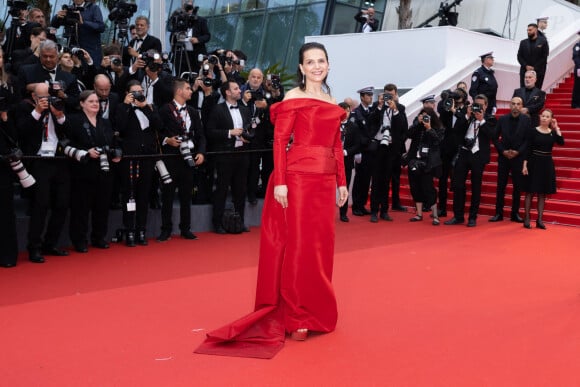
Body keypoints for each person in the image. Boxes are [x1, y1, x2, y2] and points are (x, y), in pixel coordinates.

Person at [196, 42, 348, 358]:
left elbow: (335, 145)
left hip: (323, 183)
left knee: (320, 248)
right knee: (298, 247)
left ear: (328, 65)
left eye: (322, 61)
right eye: (311, 62)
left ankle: (315, 309)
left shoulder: (332, 101)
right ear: (302, 68)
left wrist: (341, 183)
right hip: (298, 179)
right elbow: (280, 141)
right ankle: (296, 316)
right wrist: (280, 181)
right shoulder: (293, 99)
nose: (317, 66)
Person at [16, 82, 70, 262]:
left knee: (62, 204)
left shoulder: (58, 105)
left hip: (59, 159)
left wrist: (60, 114)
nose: (47, 101)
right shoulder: (24, 108)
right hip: (39, 162)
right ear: (34, 97)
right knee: (41, 205)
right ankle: (34, 247)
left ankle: (51, 243)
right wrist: (38, 111)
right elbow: (21, 132)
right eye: (43, 98)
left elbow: (68, 131)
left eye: (49, 97)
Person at [63, 90, 119, 252]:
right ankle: (79, 240)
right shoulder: (74, 121)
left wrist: (115, 153)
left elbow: (113, 142)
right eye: (91, 101)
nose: (95, 104)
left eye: (97, 102)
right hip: (83, 170)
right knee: (81, 207)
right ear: (82, 104)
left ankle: (99, 237)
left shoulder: (105, 122)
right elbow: (66, 144)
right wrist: (87, 152)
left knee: (102, 206)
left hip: (104, 170)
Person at [158, 78, 206, 241]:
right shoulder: (164, 109)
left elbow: (200, 134)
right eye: (188, 88)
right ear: (179, 91)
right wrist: (167, 140)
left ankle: (186, 228)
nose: (191, 91)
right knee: (168, 195)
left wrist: (201, 152)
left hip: (189, 158)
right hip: (171, 158)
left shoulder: (193, 111)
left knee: (187, 195)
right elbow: (158, 132)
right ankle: (166, 229)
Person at [115, 80, 163, 246]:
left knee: (144, 194)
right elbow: (119, 127)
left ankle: (141, 230)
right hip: (130, 157)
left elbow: (159, 125)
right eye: (134, 92)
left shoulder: (150, 107)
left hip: (147, 157)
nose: (138, 94)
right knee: (129, 195)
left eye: (140, 91)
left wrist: (145, 107)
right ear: (127, 94)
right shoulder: (122, 108)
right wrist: (127, 106)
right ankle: (129, 230)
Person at [207, 80, 252, 234]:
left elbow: (249, 130)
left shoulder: (244, 110)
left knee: (241, 190)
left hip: (242, 155)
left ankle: (240, 221)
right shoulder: (217, 110)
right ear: (227, 92)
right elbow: (210, 132)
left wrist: (247, 136)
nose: (239, 91)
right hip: (224, 156)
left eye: (239, 88)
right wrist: (229, 132)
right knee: (222, 190)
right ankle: (218, 223)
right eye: (236, 88)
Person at [444, 94, 496, 227]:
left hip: (478, 155)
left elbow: (493, 135)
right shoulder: (466, 116)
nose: (477, 107)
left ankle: (473, 217)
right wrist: (467, 116)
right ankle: (458, 216)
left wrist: (482, 120)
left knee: (476, 186)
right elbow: (456, 131)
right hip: (464, 152)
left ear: (485, 106)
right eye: (475, 104)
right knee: (458, 184)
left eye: (480, 105)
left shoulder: (490, 119)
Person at [367, 83, 408, 222]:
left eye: (390, 95)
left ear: (395, 95)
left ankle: (384, 210)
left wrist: (395, 110)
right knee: (376, 180)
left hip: (391, 148)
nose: (388, 98)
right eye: (386, 95)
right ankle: (374, 211)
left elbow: (403, 127)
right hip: (378, 147)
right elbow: (370, 122)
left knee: (386, 180)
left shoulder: (400, 108)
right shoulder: (376, 107)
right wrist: (379, 106)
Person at [489, 97, 531, 223]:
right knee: (501, 186)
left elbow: (528, 140)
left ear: (521, 106)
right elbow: (495, 138)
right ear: (510, 106)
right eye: (513, 104)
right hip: (504, 158)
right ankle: (498, 213)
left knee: (517, 187)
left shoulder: (526, 120)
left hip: (518, 158)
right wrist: (503, 151)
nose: (515, 106)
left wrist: (518, 152)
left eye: (518, 104)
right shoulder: (502, 119)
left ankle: (515, 213)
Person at [522, 109, 564, 229]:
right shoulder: (533, 131)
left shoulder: (552, 132)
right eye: (543, 116)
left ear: (551, 119)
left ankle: (539, 220)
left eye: (547, 116)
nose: (544, 118)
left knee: (542, 193)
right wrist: (525, 165)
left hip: (547, 164)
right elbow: (527, 149)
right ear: (540, 118)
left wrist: (557, 128)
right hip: (533, 162)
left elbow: (561, 142)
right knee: (530, 191)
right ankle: (527, 218)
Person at [406, 108, 443, 225]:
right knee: (415, 188)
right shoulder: (417, 127)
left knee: (428, 188)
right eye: (422, 116)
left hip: (428, 163)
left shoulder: (438, 128)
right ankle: (419, 214)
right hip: (413, 161)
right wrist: (417, 123)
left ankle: (435, 215)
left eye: (427, 116)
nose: (425, 118)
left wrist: (429, 128)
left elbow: (438, 141)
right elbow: (408, 134)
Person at [50, 0, 106, 66]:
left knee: (92, 72)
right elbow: (54, 25)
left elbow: (101, 27)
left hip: (91, 50)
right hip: (73, 50)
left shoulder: (93, 8)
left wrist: (83, 22)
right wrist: (57, 17)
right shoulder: (69, 9)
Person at [168, 0, 211, 75]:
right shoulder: (179, 19)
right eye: (186, 7)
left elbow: (207, 36)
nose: (188, 9)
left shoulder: (201, 20)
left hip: (196, 55)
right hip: (181, 54)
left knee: (195, 76)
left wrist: (198, 40)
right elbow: (172, 36)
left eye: (190, 7)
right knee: (181, 77)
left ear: (194, 8)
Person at [338, 102, 360, 222]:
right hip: (332, 161)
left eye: (347, 111)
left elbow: (357, 145)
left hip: (346, 161)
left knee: (344, 186)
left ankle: (343, 213)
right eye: (342, 110)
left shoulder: (353, 126)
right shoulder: (332, 125)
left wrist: (346, 152)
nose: (344, 113)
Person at [517, 23, 549, 89]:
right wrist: (526, 66)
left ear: (535, 30)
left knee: (536, 92)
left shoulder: (543, 42)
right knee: (523, 91)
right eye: (527, 30)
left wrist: (534, 67)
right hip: (525, 71)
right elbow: (519, 56)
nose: (528, 32)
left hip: (538, 72)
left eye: (530, 30)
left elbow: (544, 57)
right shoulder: (523, 42)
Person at [572, 32, 580, 109]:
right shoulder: (577, 46)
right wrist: (579, 67)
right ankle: (575, 104)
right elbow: (576, 57)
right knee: (578, 86)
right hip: (579, 69)